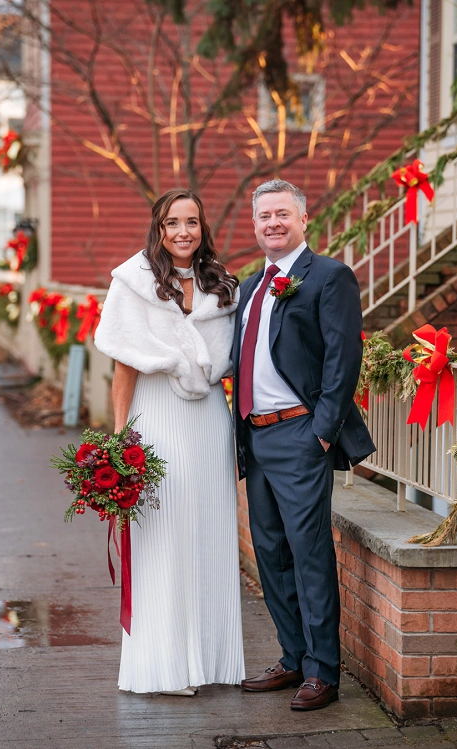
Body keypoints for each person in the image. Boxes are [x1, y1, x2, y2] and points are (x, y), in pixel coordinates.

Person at [95, 188, 245, 696]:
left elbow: (234, 360)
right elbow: (124, 365)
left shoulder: (221, 284)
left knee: (207, 532)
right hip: (155, 416)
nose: (184, 231)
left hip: (207, 419)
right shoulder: (133, 282)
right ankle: (165, 665)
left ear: (203, 228)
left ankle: (210, 658)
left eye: (193, 222)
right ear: (158, 229)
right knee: (164, 537)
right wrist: (119, 439)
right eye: (173, 223)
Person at [233, 179, 375, 711]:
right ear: (255, 224)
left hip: (299, 434)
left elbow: (343, 358)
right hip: (255, 434)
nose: (273, 223)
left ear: (303, 220)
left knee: (309, 551)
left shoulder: (329, 276)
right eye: (264, 216)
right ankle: (292, 656)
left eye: (282, 214)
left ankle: (323, 671)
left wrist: (322, 431)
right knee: (269, 552)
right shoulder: (250, 286)